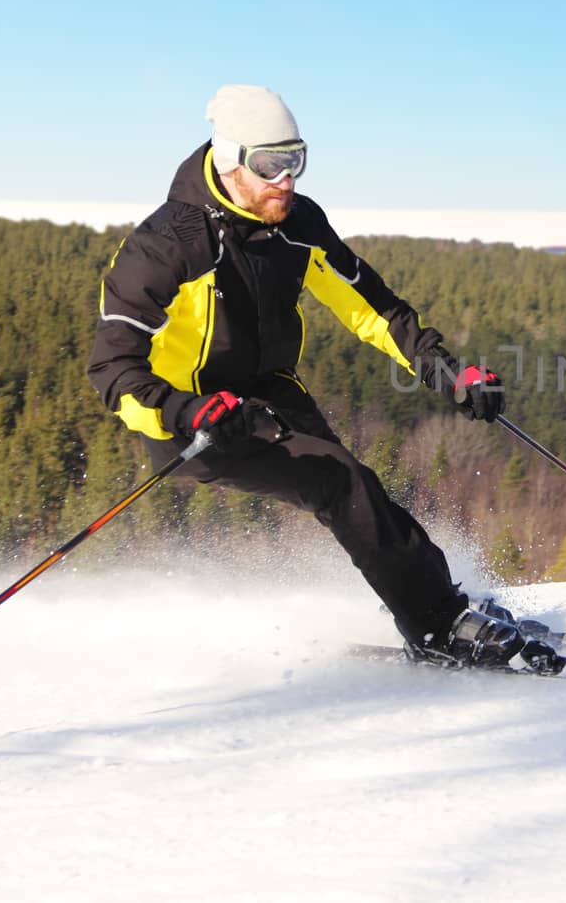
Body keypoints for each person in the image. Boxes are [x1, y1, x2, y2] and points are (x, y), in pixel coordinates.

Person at [88, 84, 527, 667]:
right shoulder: (167, 246)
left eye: (295, 159)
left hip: (268, 396)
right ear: (229, 160)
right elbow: (112, 369)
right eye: (270, 164)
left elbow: (371, 308)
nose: (286, 179)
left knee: (356, 487)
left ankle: (432, 600)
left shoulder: (299, 223)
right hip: (197, 422)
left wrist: (448, 372)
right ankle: (436, 626)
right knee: (341, 483)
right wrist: (181, 412)